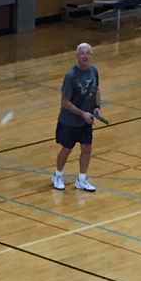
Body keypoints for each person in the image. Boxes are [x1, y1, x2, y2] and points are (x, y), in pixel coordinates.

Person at [53, 42, 103, 192]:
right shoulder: (71, 76)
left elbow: (97, 90)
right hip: (70, 121)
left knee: (87, 149)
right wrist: (82, 113)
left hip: (86, 121)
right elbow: (64, 101)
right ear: (77, 56)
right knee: (66, 149)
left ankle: (81, 179)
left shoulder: (93, 71)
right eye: (82, 53)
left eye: (88, 53)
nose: (85, 56)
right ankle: (57, 175)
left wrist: (96, 107)